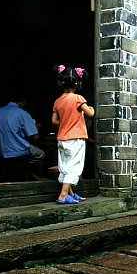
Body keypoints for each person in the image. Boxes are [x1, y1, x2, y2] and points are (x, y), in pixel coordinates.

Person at [52, 65, 95, 205]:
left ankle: (71, 194)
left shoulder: (58, 101)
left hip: (62, 138)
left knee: (65, 166)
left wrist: (66, 121)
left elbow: (54, 121)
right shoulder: (77, 98)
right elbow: (90, 114)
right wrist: (92, 109)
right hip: (75, 138)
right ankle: (63, 196)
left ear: (61, 83)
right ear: (78, 84)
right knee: (74, 167)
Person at [0, 96, 46, 181]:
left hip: (0, 151)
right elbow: (35, 137)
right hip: (18, 151)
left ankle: (31, 175)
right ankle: (37, 179)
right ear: (23, 102)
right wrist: (37, 127)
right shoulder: (22, 113)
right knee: (41, 154)